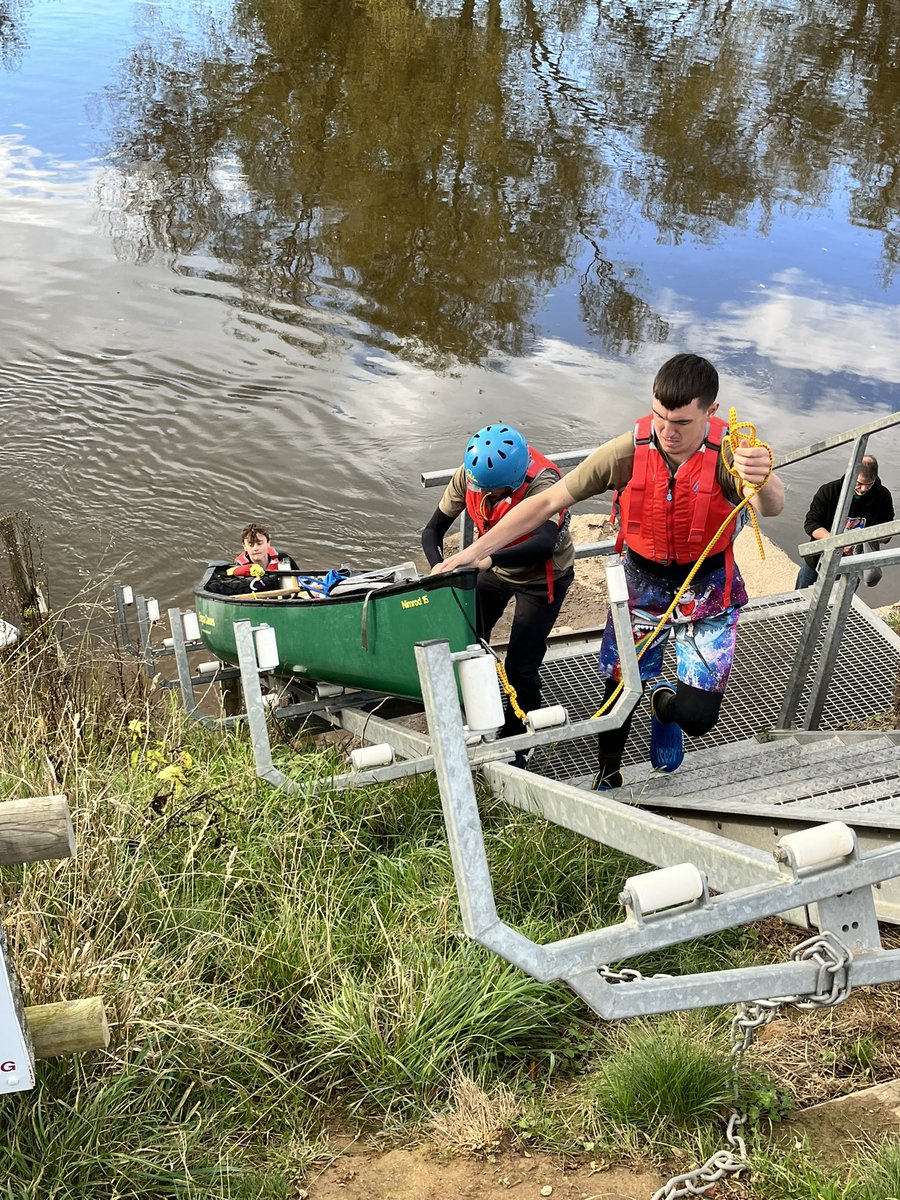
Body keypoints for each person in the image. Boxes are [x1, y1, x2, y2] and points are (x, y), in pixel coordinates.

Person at [433, 354, 784, 789]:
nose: (667, 432)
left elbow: (772, 507)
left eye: (681, 423)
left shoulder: (730, 453)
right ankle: (608, 773)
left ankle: (666, 708)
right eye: (659, 416)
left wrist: (766, 478)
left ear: (710, 413)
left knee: (698, 718)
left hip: (707, 587)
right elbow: (546, 502)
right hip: (642, 585)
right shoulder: (627, 453)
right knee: (620, 690)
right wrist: (476, 551)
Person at [421, 424, 575, 761]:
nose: (486, 497)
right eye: (482, 491)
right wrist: (439, 567)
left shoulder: (544, 484)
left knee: (521, 663)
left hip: (541, 577)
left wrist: (487, 558)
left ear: (515, 479)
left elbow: (543, 543)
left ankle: (521, 738)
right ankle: (482, 717)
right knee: (470, 642)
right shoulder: (472, 473)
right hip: (493, 568)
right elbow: (432, 530)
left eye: (495, 492)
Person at [795, 455, 894, 589]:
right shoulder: (829, 491)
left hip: (853, 563)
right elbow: (811, 524)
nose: (863, 489)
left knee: (839, 603)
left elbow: (887, 531)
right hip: (819, 559)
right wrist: (837, 542)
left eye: (869, 485)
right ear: (851, 475)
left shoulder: (882, 496)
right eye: (859, 483)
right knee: (802, 596)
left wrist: (866, 540)